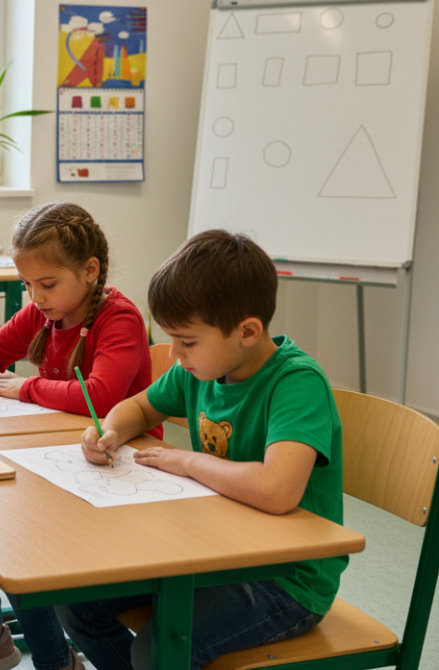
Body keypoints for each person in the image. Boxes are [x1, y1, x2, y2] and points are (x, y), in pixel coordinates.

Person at [59, 229, 346, 670]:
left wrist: (189, 461)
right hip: (212, 551)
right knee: (77, 602)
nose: (174, 353)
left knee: (156, 652)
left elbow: (277, 490)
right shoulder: (201, 371)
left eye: (187, 341)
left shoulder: (296, 383)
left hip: (285, 579)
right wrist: (109, 431)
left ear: (247, 332)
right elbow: (138, 407)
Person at [0, 201, 150, 670]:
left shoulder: (118, 318)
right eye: (27, 285)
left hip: (121, 466)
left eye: (47, 284)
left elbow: (101, 397)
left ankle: (50, 657)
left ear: (90, 271)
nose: (36, 297)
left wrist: (25, 387)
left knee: (17, 538)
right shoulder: (46, 314)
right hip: (61, 455)